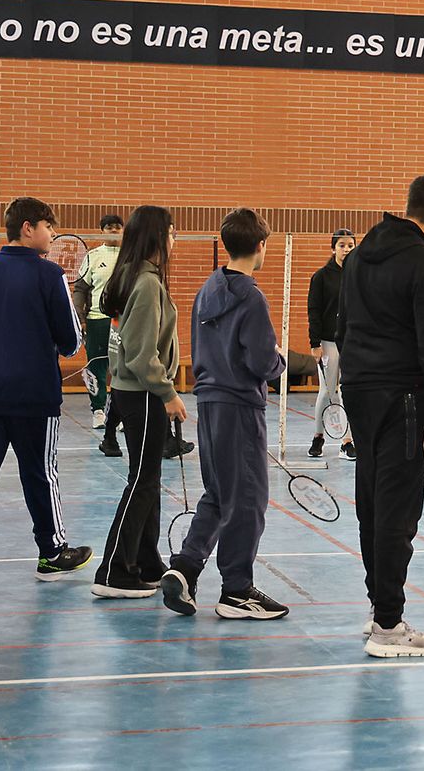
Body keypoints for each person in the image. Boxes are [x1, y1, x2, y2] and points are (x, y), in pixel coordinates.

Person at [337, 175, 424, 656]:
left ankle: (380, 609)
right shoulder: (423, 262)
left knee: (373, 502)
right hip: (403, 399)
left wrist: (351, 390)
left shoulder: (356, 257)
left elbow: (343, 327)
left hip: (360, 393)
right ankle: (389, 627)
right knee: (397, 512)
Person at [0, 197, 91, 595]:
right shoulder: (50, 276)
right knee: (41, 475)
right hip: (33, 399)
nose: (53, 234)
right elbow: (71, 342)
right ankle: (52, 552)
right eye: (48, 226)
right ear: (28, 228)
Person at [161, 208, 291, 619]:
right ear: (260, 247)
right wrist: (279, 363)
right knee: (249, 498)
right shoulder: (251, 296)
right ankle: (236, 590)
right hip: (239, 406)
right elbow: (259, 359)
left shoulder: (207, 289)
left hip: (209, 402)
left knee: (219, 493)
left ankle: (184, 567)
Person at [93, 205, 185, 598]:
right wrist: (169, 392)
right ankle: (114, 570)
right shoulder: (146, 284)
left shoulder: (134, 276)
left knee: (148, 481)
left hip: (134, 394)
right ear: (156, 236)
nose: (174, 239)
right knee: (141, 482)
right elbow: (140, 353)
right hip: (144, 395)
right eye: (170, 232)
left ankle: (146, 560)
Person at [308, 228, 356, 460]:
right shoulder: (321, 277)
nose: (346, 249)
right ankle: (319, 436)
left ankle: (347, 441)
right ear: (333, 248)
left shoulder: (359, 275)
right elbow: (314, 311)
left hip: (353, 343)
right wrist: (314, 342)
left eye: (350, 245)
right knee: (327, 392)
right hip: (328, 343)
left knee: (348, 392)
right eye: (342, 245)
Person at [73, 214, 122, 441]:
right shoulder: (92, 256)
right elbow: (81, 289)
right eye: (109, 227)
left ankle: (120, 414)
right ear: (101, 231)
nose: (113, 231)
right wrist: (80, 318)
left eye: (117, 227)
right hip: (97, 319)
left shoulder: (131, 255)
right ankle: (98, 410)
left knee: (124, 368)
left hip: (124, 320)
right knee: (96, 365)